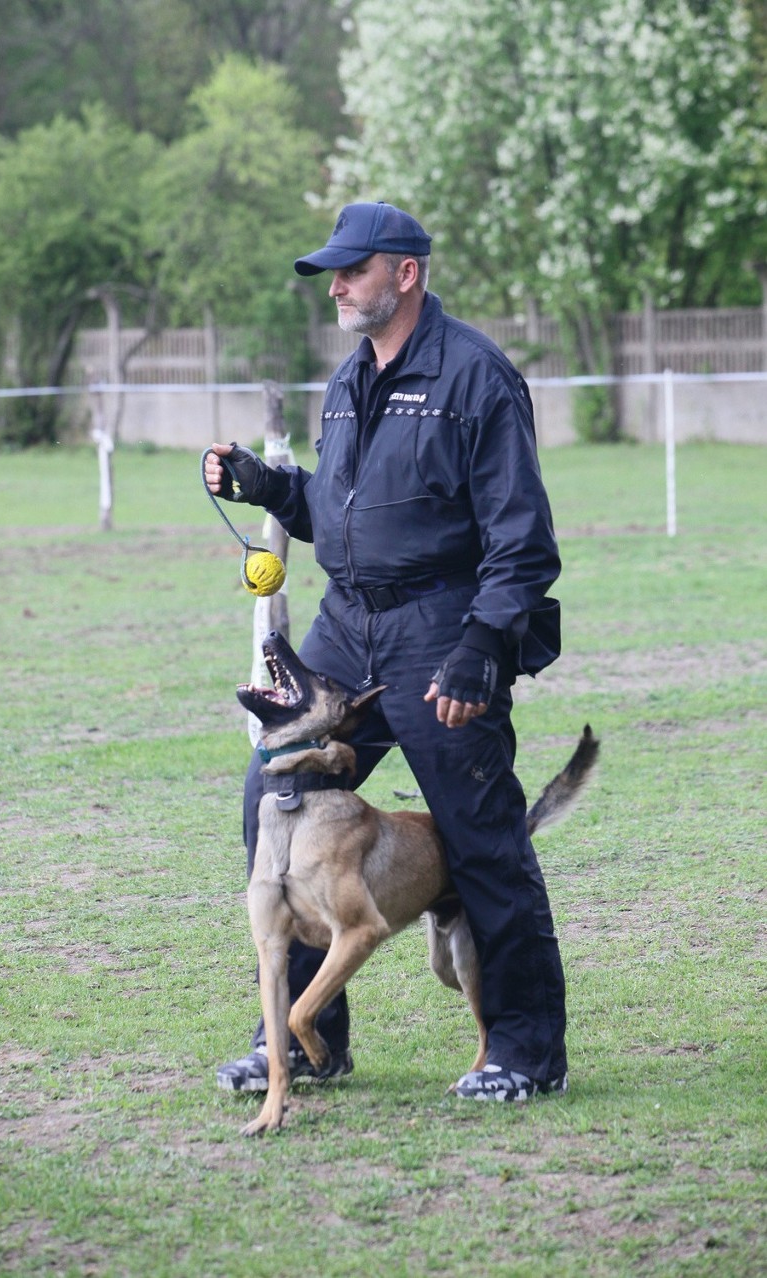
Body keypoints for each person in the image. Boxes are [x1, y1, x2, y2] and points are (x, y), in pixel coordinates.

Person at [204, 201, 567, 1102]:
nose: (337, 285)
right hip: (347, 627)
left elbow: (523, 541)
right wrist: (268, 486)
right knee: (272, 796)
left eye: (354, 269)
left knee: (483, 842)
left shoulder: (476, 376)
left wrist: (484, 644)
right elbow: (336, 512)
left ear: (406, 272)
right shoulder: (349, 380)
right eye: (333, 271)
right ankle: (306, 1043)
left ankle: (525, 1052)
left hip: (443, 631)